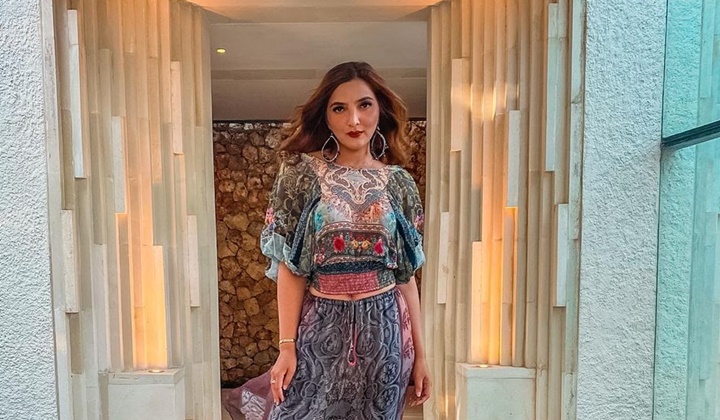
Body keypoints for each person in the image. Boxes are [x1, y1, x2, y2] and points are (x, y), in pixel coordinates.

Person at [223, 61, 430, 420]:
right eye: (340, 108)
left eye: (364, 105)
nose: (354, 120)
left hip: (386, 332)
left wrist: (423, 356)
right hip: (320, 324)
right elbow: (291, 267)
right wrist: (286, 346)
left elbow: (405, 276)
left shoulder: (400, 183)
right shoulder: (300, 175)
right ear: (326, 117)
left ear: (380, 110)